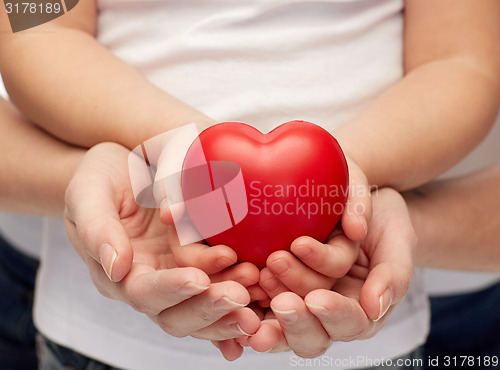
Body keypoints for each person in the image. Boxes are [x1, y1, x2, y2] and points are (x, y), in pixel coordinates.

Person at [1, 0, 500, 369]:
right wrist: (183, 148)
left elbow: (460, 63)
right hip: (102, 337)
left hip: (359, 337)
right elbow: (36, 26)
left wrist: (348, 172)